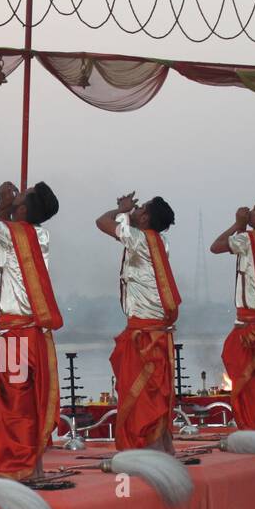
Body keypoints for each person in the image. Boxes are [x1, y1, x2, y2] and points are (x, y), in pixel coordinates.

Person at [0, 180, 62, 479]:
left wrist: (1, 206)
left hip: (18, 335)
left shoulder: (11, 232)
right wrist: (12, 206)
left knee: (14, 405)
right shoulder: (39, 235)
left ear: (22, 208)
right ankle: (25, 466)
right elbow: (6, 232)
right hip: (28, 334)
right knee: (22, 402)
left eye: (23, 194)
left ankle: (20, 467)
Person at [96, 191, 181, 452]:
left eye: (140, 208)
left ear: (144, 217)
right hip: (155, 332)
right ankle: (162, 449)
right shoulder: (160, 241)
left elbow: (102, 221)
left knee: (145, 399)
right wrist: (129, 216)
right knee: (156, 395)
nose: (136, 210)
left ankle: (151, 453)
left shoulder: (139, 239)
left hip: (144, 333)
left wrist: (122, 210)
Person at [210, 196, 255, 430]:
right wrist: (243, 226)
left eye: (253, 210)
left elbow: (216, 247)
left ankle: (251, 425)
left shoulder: (248, 239)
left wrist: (237, 224)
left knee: (247, 376)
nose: (249, 212)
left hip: (249, 326)